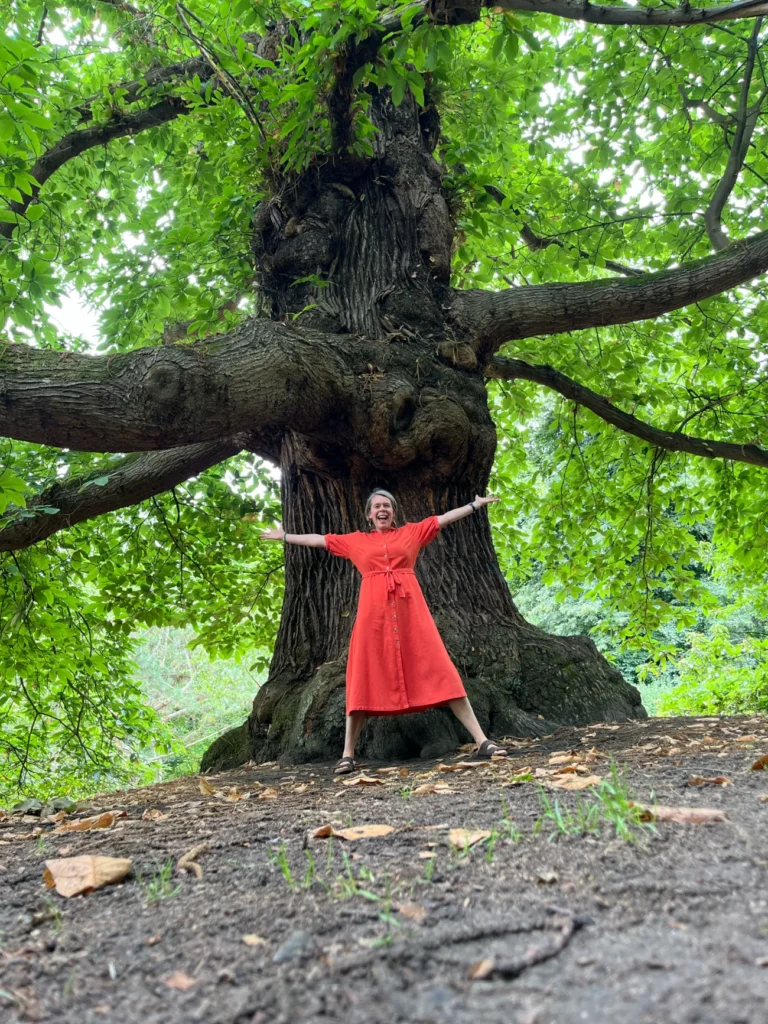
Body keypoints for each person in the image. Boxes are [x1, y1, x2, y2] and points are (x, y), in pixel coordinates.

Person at [260, 490, 508, 774]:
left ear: (393, 511)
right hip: (373, 620)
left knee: (441, 670)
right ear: (369, 514)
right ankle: (347, 754)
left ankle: (482, 741)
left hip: (412, 616)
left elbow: (442, 519)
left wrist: (474, 505)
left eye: (387, 505)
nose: (382, 509)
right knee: (363, 678)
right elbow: (320, 540)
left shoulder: (412, 533)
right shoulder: (356, 541)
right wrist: (286, 536)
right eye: (377, 506)